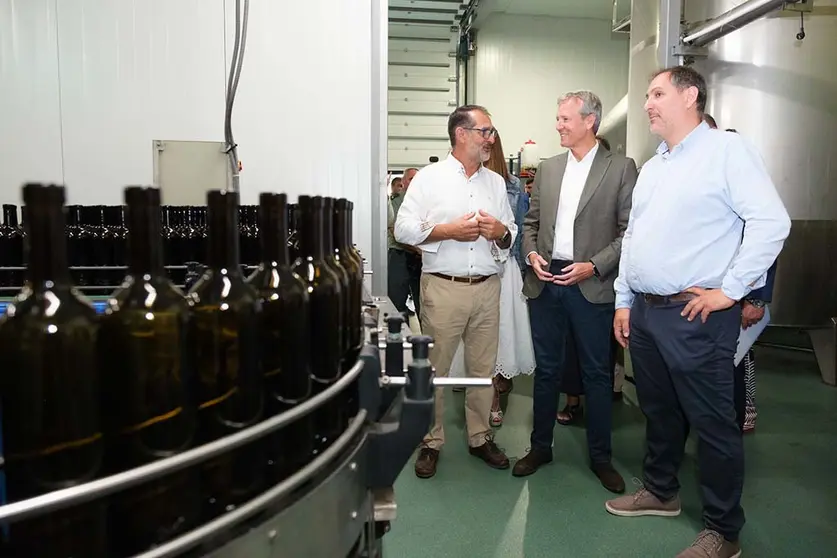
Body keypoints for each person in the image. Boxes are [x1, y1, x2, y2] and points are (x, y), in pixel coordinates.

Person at [605, 66, 790, 558]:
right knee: (659, 411)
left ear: (690, 96)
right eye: (647, 94)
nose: (647, 103)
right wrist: (624, 299)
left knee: (712, 423)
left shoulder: (726, 152)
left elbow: (772, 222)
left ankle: (723, 532)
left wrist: (730, 291)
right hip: (646, 312)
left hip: (696, 315)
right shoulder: (655, 164)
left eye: (657, 93)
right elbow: (635, 239)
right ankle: (661, 491)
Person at [512, 91, 638, 495]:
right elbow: (530, 222)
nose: (558, 125)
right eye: (558, 118)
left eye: (566, 118)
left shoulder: (620, 168)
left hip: (591, 282)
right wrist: (531, 253)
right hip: (547, 280)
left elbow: (629, 232)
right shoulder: (549, 169)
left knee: (597, 375)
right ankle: (540, 447)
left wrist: (595, 264)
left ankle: (601, 458)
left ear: (590, 121)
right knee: (546, 371)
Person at [395, 104, 516, 479]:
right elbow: (402, 229)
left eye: (492, 132)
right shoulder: (428, 179)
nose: (491, 139)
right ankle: (430, 442)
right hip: (443, 289)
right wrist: (448, 231)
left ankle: (480, 437)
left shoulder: (495, 183)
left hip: (486, 287)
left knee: (483, 370)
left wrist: (500, 233)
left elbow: (509, 234)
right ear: (461, 134)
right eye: (486, 131)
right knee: (435, 369)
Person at [447, 129, 537, 427]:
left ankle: (496, 391)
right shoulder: (458, 181)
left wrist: (525, 276)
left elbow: (520, 233)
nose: (486, 144)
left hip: (506, 270)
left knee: (501, 336)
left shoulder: (511, 187)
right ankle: (486, 395)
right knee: (475, 337)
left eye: (490, 140)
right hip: (472, 268)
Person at [387, 168, 421, 319]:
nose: (414, 182)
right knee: (396, 302)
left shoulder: (426, 202)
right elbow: (394, 230)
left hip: (421, 260)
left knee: (423, 305)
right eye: (410, 179)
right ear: (403, 182)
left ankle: (423, 341)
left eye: (416, 179)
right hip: (400, 255)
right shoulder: (396, 201)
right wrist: (418, 249)